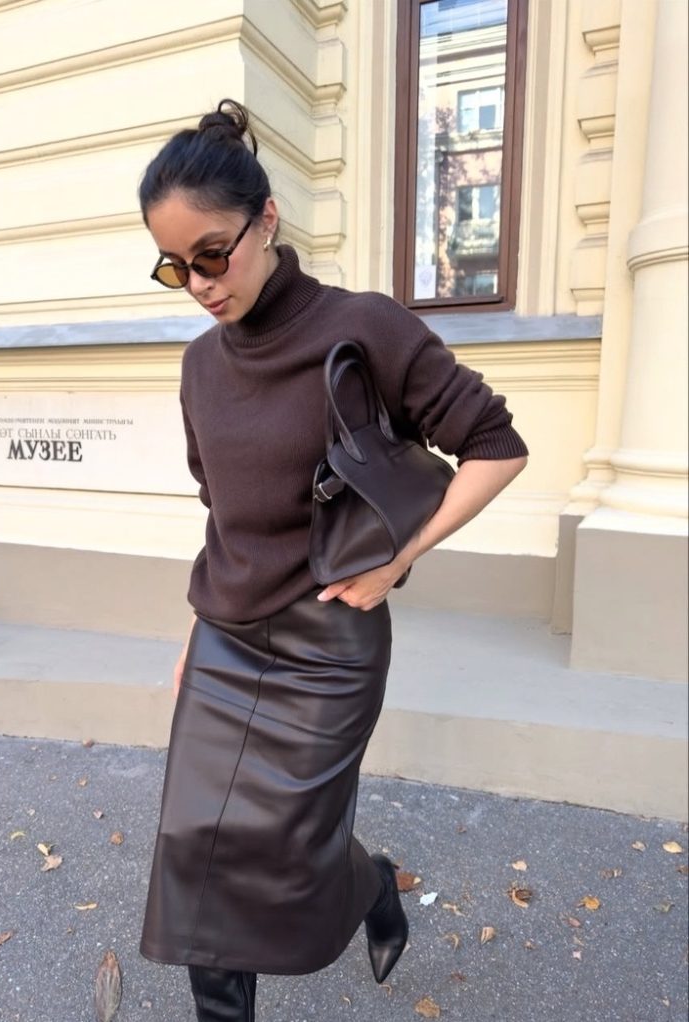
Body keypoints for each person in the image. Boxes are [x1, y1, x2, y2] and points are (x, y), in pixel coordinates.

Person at [138, 99, 528, 1022]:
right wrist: (197, 629)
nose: (199, 284)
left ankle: (371, 884)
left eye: (212, 254)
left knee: (287, 851)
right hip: (227, 641)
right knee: (196, 853)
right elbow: (224, 515)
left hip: (328, 648)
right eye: (174, 266)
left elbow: (497, 446)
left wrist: (400, 560)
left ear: (267, 220)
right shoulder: (199, 368)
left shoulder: (364, 327)